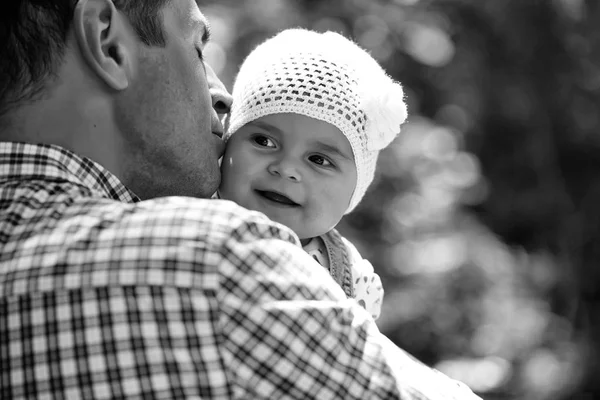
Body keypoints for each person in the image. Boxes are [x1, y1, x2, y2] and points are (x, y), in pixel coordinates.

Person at [0, 0, 481, 399]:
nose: (221, 94)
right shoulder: (218, 267)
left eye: (321, 159)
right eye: (195, 47)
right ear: (108, 41)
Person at [219, 28, 408, 320]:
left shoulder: (355, 280)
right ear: (228, 140)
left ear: (356, 188)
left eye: (319, 159)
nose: (286, 168)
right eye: (264, 141)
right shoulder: (185, 222)